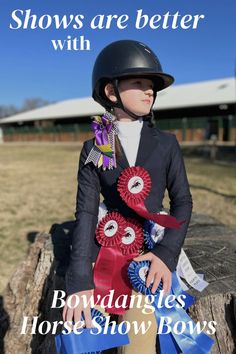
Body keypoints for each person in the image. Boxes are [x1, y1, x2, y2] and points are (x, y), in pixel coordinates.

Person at [63, 40, 193, 354]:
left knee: (140, 339)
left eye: (152, 86)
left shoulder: (166, 143)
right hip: (104, 253)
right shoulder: (98, 144)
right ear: (111, 91)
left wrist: (166, 252)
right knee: (84, 335)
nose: (150, 91)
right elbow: (86, 212)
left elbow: (182, 201)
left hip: (147, 257)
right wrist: (79, 280)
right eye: (139, 83)